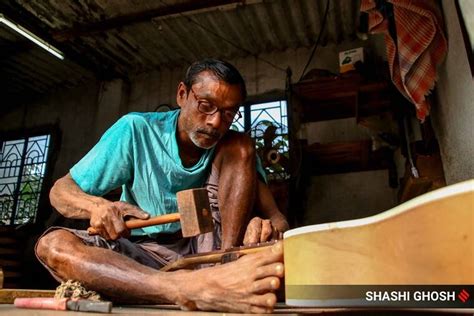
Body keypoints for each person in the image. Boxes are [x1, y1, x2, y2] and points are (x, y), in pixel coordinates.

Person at [36, 58, 287, 313]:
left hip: (211, 254)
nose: (215, 122)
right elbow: (60, 190)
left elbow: (279, 220)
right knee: (53, 245)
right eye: (205, 106)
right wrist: (96, 206)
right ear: (182, 94)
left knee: (241, 145)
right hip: (142, 255)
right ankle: (183, 288)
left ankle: (224, 267)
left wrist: (266, 227)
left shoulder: (233, 147)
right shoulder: (137, 130)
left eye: (228, 113)